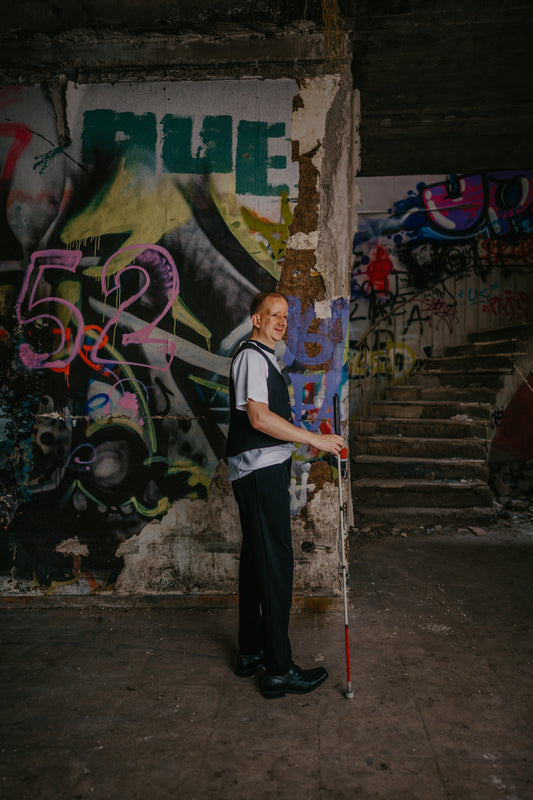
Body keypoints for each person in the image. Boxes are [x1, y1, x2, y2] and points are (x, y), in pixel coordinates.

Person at [226, 291, 345, 699]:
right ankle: (277, 669)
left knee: (257, 561)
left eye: (284, 316)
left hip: (262, 470)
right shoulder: (251, 358)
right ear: (255, 320)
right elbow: (258, 418)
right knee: (276, 564)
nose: (281, 321)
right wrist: (314, 439)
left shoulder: (265, 359)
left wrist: (308, 441)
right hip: (259, 473)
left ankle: (250, 652)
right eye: (272, 315)